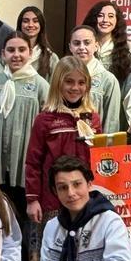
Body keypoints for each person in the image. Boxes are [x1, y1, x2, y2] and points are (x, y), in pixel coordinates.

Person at [0, 35, 50, 261]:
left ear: (30, 53)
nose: (16, 55)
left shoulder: (40, 84)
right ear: (3, 53)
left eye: (22, 50)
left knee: (23, 217)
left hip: (24, 163)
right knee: (0, 213)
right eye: (11, 50)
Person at [24, 57, 101, 228]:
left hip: (85, 198)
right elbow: (33, 163)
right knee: (54, 241)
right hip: (53, 200)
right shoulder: (45, 119)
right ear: (58, 83)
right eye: (69, 82)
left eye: (81, 82)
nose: (75, 87)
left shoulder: (93, 118)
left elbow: (97, 159)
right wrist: (32, 199)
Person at [68, 25, 121, 133]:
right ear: (70, 47)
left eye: (87, 43)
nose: (81, 47)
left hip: (94, 139)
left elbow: (111, 122)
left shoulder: (108, 80)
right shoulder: (62, 75)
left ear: (96, 46)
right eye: (77, 43)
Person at [83, 0, 131, 106]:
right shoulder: (83, 46)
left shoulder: (128, 49)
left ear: (117, 20)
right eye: (100, 16)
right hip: (85, 101)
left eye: (111, 16)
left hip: (115, 102)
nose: (105, 20)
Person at [15, 5, 59, 81]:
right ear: (20, 25)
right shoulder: (11, 54)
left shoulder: (51, 58)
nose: (30, 25)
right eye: (26, 21)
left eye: (35, 21)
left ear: (41, 25)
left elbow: (55, 86)